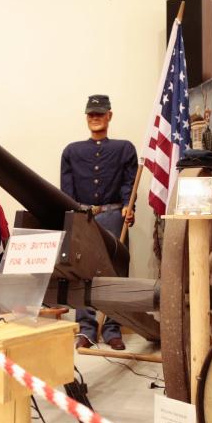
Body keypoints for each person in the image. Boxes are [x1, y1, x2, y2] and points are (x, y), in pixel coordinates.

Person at [61, 94, 137, 351]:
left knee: (116, 272)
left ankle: (113, 328)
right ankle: (87, 328)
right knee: (82, 272)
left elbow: (129, 184)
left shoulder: (124, 149)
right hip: (82, 217)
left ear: (109, 115)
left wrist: (128, 205)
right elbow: (67, 191)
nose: (95, 117)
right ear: (86, 117)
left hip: (113, 216)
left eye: (100, 113)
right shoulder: (72, 152)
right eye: (91, 114)